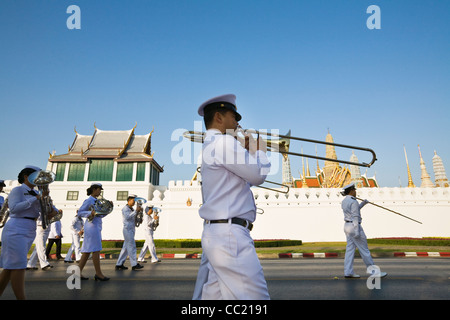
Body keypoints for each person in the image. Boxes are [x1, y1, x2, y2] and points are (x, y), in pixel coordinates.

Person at [193, 94, 271, 300]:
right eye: (233, 116)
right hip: (229, 237)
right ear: (219, 117)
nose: (237, 122)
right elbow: (257, 175)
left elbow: (238, 182)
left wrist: (245, 151)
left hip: (218, 233)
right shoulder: (223, 143)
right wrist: (259, 152)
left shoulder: (213, 144)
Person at [0, 165, 57, 299]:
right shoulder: (17, 190)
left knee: (10, 268)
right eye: (35, 176)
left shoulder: (37, 193)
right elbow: (14, 209)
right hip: (16, 228)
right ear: (26, 177)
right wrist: (36, 199)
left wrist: (51, 209)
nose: (38, 180)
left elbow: (47, 211)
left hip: (29, 228)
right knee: (19, 266)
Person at [341, 183, 387, 278]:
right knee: (364, 250)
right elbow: (355, 216)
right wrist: (357, 231)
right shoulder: (353, 201)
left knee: (349, 250)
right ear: (351, 190)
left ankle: (348, 272)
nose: (355, 192)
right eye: (354, 190)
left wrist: (362, 204)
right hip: (354, 227)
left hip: (347, 226)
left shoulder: (345, 201)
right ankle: (374, 272)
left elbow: (352, 211)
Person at [77, 183, 110, 281]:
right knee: (96, 249)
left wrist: (108, 209)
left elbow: (100, 215)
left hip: (96, 226)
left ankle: (77, 273)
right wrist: (89, 213)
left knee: (87, 251)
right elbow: (80, 212)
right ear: (94, 189)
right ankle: (98, 273)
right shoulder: (89, 200)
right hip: (91, 227)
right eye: (99, 189)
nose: (100, 192)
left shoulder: (97, 201)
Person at [116, 195, 144, 270]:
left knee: (125, 248)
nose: (134, 202)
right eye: (133, 200)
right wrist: (136, 211)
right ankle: (134, 264)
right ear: (129, 200)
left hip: (131, 229)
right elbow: (127, 217)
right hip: (127, 229)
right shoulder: (125, 209)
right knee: (132, 246)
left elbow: (133, 219)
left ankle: (119, 264)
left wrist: (139, 218)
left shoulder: (132, 209)